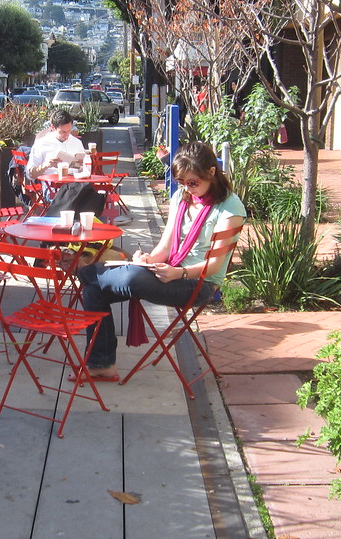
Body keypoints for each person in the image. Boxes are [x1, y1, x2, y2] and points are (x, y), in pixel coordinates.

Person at [76, 141, 246, 380]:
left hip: (199, 283)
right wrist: (148, 258)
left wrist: (180, 274)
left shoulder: (230, 209)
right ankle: (101, 364)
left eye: (193, 182)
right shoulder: (182, 197)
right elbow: (165, 246)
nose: (188, 188)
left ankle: (86, 272)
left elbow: (215, 267)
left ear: (211, 172)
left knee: (127, 277)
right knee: (95, 291)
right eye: (182, 183)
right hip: (170, 271)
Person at [26, 109, 86, 179]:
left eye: (69, 130)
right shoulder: (42, 143)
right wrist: (46, 165)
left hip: (75, 184)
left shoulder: (77, 142)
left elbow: (84, 171)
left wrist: (83, 165)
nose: (67, 135)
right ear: (53, 128)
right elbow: (30, 174)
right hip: (53, 185)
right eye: (63, 132)